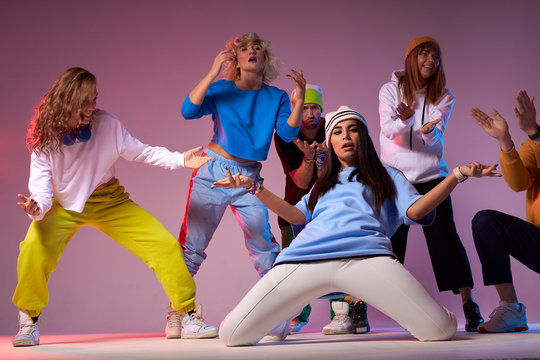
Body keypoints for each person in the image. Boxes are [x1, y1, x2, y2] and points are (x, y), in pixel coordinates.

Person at [214, 105, 499, 346]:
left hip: (366, 259)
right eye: (337, 132)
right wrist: (254, 186)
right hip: (303, 260)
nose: (345, 136)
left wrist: (457, 175)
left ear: (363, 137)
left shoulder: (387, 176)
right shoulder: (321, 185)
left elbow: (416, 210)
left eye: (352, 129)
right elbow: (296, 217)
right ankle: (282, 314)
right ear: (331, 142)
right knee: (231, 335)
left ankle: (432, 310)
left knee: (440, 330)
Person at [12, 67, 218, 347]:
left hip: (108, 200)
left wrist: (181, 159)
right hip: (61, 206)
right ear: (65, 101)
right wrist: (37, 208)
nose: (91, 108)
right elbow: (41, 190)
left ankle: (188, 315)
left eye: (93, 100)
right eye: (84, 102)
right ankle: (29, 321)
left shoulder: (106, 124)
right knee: (33, 249)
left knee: (164, 245)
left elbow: (140, 151)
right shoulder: (44, 140)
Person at [173, 32, 305, 336]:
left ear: (264, 57)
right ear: (235, 59)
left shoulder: (277, 96)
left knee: (264, 245)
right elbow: (188, 110)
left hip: (248, 178)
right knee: (192, 245)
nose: (252, 52)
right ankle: (178, 313)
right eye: (244, 49)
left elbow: (286, 133)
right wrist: (211, 73)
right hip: (213, 172)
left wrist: (300, 93)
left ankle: (276, 315)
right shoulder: (221, 89)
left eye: (257, 47)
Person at [379, 36, 484, 331]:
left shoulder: (444, 94)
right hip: (394, 179)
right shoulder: (390, 90)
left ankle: (468, 304)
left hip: (431, 177)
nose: (430, 60)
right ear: (411, 57)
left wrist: (426, 131)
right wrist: (407, 120)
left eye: (435, 56)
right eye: (424, 53)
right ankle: (360, 305)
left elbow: (435, 137)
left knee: (446, 240)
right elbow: (388, 130)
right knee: (386, 243)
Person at [274, 85, 368, 335]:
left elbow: (341, 174)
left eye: (314, 107)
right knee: (293, 264)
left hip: (331, 207)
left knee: (336, 259)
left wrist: (323, 158)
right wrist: (309, 158)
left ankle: (341, 314)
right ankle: (294, 312)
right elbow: (303, 183)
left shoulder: (333, 128)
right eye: (303, 108)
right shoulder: (285, 134)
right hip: (295, 207)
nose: (310, 113)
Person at [470, 89, 538, 333]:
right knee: (486, 222)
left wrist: (535, 133)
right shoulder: (533, 145)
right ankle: (511, 308)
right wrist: (505, 141)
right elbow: (519, 184)